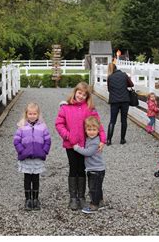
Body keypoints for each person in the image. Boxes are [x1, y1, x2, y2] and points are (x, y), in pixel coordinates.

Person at [55, 82, 106, 211]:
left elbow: (97, 124)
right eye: (79, 93)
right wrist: (67, 135)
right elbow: (59, 124)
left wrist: (102, 139)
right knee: (73, 168)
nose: (81, 96)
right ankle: (73, 197)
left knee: (82, 168)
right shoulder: (65, 108)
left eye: (84, 94)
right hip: (70, 145)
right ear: (75, 92)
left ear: (87, 96)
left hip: (84, 145)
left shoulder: (89, 108)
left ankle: (82, 196)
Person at [13, 103, 51, 211]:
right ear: (26, 114)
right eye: (30, 113)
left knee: (36, 179)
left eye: (35, 114)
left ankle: (35, 199)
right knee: (27, 178)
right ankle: (28, 199)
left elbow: (48, 140)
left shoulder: (43, 127)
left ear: (38, 114)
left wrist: (44, 151)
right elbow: (16, 141)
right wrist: (22, 151)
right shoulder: (22, 126)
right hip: (26, 158)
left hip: (38, 158)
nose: (32, 116)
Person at [74, 116, 106, 214]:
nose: (91, 132)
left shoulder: (95, 142)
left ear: (98, 130)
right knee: (97, 187)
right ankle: (100, 202)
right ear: (85, 130)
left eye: (94, 129)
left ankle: (94, 205)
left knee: (93, 188)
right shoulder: (89, 139)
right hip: (94, 168)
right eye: (89, 129)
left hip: (96, 169)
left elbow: (88, 152)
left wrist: (77, 148)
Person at [106, 63, 134, 145]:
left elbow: (109, 89)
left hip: (114, 101)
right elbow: (131, 84)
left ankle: (108, 140)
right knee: (124, 120)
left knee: (112, 121)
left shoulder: (110, 77)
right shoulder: (124, 75)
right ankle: (122, 139)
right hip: (125, 100)